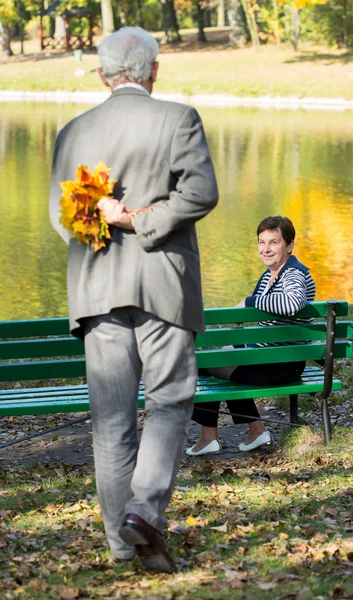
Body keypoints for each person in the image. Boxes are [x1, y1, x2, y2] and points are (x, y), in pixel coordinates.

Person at [49, 27, 218, 573]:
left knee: (112, 419)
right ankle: (144, 512)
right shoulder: (178, 118)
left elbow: (61, 217)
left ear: (103, 74)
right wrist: (143, 223)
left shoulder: (73, 130)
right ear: (154, 71)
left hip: (96, 288)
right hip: (162, 283)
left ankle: (124, 544)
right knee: (169, 400)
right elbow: (200, 192)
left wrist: (102, 221)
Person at [186, 216, 315, 456]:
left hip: (281, 365)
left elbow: (292, 304)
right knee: (219, 356)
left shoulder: (293, 274)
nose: (265, 249)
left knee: (203, 363)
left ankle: (211, 438)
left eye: (273, 242)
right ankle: (254, 431)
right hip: (272, 358)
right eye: (261, 242)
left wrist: (250, 300)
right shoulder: (271, 275)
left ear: (289, 245)